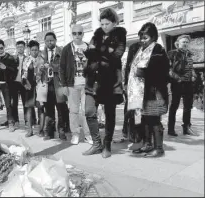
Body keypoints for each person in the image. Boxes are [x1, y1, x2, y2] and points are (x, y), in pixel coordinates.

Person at [82, 8, 126, 157]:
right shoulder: (96, 35)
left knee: (109, 114)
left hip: (110, 82)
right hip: (92, 80)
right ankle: (96, 144)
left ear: (114, 23)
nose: (104, 26)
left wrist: (98, 51)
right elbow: (92, 53)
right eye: (102, 23)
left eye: (107, 23)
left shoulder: (120, 36)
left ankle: (107, 145)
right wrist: (100, 51)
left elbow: (116, 55)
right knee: (89, 111)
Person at [124, 22, 170, 157]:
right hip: (140, 92)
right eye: (141, 38)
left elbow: (163, 73)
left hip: (154, 91)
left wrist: (145, 73)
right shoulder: (140, 50)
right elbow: (131, 67)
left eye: (146, 38)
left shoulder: (158, 50)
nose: (142, 41)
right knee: (144, 119)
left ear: (154, 37)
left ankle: (159, 148)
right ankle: (147, 144)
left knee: (154, 119)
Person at [59, 24, 93, 145]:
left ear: (83, 34)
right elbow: (61, 68)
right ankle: (75, 134)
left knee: (86, 111)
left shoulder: (89, 47)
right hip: (72, 85)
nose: (77, 36)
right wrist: (64, 85)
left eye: (79, 33)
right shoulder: (67, 49)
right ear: (71, 34)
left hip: (86, 85)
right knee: (73, 111)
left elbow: (95, 66)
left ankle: (88, 135)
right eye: (74, 33)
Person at [167, 35, 198, 136]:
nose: (185, 44)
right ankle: (171, 129)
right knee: (174, 106)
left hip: (188, 83)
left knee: (188, 106)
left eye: (187, 42)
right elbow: (169, 69)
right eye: (183, 42)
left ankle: (186, 127)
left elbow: (191, 67)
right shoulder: (172, 53)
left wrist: (193, 74)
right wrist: (178, 78)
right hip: (177, 83)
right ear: (178, 43)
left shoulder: (189, 54)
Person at [40, 32, 68, 140]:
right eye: (47, 41)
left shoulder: (61, 52)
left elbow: (64, 67)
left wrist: (52, 66)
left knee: (61, 109)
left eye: (51, 40)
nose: (49, 42)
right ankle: (49, 132)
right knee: (49, 109)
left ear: (55, 40)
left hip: (59, 84)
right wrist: (41, 68)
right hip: (47, 84)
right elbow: (37, 68)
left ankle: (61, 131)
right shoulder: (42, 54)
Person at [0, 39, 18, 131]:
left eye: (1, 48)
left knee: (8, 104)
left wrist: (5, 68)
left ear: (4, 47)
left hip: (6, 84)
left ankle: (11, 124)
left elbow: (14, 71)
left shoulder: (9, 58)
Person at [22, 40, 46, 137]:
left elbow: (45, 74)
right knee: (29, 109)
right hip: (29, 87)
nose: (34, 52)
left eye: (36, 50)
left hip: (40, 86)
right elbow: (23, 73)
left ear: (38, 50)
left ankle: (41, 130)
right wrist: (25, 83)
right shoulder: (26, 60)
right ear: (29, 50)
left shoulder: (42, 60)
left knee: (41, 109)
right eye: (32, 50)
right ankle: (29, 130)